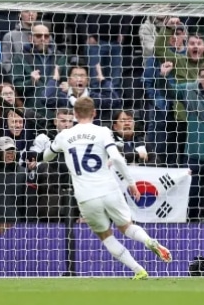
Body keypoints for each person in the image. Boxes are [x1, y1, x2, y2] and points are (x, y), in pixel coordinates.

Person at [41, 97, 171, 279]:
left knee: (106, 236)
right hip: (109, 189)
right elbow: (117, 158)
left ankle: (138, 270)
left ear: (75, 115)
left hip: (86, 196)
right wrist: (131, 183)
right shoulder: (102, 131)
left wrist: (49, 151)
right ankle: (148, 240)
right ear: (94, 113)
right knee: (127, 226)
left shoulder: (64, 136)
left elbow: (46, 157)